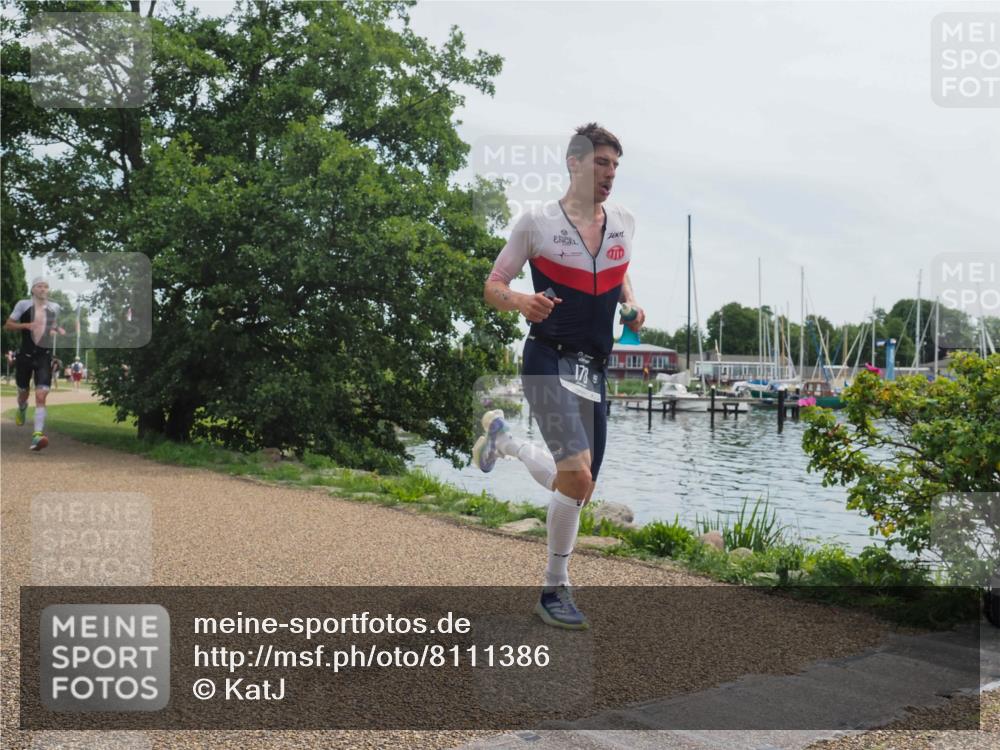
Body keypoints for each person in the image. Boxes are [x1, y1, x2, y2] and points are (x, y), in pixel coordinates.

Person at [476, 124, 644, 629]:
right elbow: (494, 284)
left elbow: (619, 272)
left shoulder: (624, 222)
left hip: (593, 368)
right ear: (574, 163)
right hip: (547, 359)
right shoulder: (537, 223)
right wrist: (522, 301)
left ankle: (506, 443)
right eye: (601, 162)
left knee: (579, 486)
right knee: (575, 474)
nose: (610, 173)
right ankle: (555, 590)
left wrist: (632, 304)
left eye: (615, 164)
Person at [4, 277, 65, 451]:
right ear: (33, 289)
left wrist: (55, 330)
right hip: (25, 355)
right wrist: (26, 325)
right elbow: (8, 325)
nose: (43, 289)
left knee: (41, 396)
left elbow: (51, 325)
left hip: (44, 357)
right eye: (39, 286)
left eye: (46, 286)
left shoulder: (55, 308)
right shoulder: (23, 305)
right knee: (24, 392)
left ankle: (37, 435)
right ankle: (22, 407)